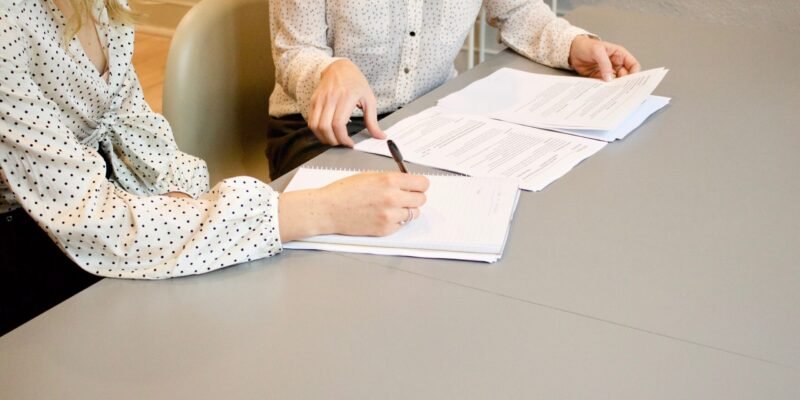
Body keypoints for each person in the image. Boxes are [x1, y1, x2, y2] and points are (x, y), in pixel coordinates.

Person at [0, 0, 429, 336]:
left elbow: (133, 125)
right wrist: (317, 211)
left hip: (94, 202)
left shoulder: (98, 6)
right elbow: (94, 221)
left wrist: (182, 198)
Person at [266, 0, 642, 179]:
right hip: (321, 128)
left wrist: (573, 45)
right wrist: (328, 70)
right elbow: (294, 51)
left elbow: (517, 10)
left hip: (429, 117)